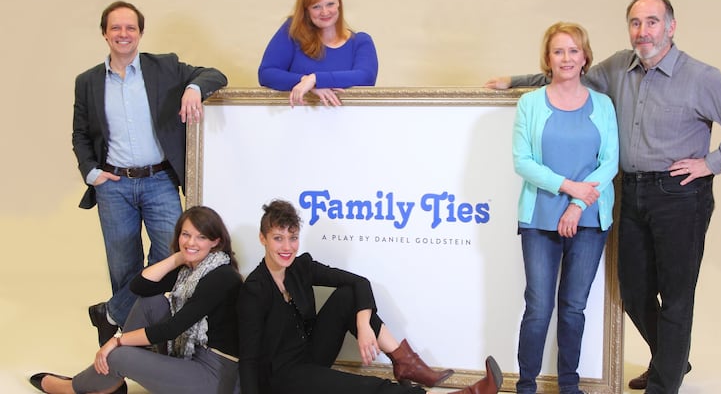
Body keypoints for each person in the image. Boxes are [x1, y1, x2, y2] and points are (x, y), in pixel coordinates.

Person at [486, 0, 721, 394]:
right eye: (636, 23)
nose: (643, 31)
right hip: (633, 192)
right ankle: (672, 358)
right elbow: (569, 75)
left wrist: (713, 162)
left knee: (675, 294)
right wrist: (514, 82)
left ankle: (664, 382)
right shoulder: (621, 67)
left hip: (679, 195)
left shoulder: (699, 77)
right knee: (635, 290)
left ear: (671, 27)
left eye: (652, 22)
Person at [72, 1, 228, 346]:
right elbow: (80, 134)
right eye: (116, 28)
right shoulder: (88, 82)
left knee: (171, 256)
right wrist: (91, 173)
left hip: (159, 180)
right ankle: (135, 340)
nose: (123, 34)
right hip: (112, 185)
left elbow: (216, 75)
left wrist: (193, 88)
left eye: (130, 28)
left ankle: (110, 314)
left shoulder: (165, 67)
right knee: (122, 266)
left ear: (140, 33)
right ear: (104, 33)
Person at [237, 199, 504, 394]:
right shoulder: (255, 289)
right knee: (367, 387)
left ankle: (404, 362)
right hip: (283, 377)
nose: (287, 247)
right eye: (278, 238)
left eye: (292, 238)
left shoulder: (300, 267)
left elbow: (358, 283)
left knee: (347, 296)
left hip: (310, 355)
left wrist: (364, 325)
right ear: (263, 239)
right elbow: (249, 360)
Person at [29, 206, 242, 394]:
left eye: (201, 237)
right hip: (189, 354)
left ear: (216, 241)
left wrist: (117, 340)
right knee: (150, 303)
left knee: (117, 356)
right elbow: (140, 287)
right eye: (185, 235)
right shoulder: (190, 270)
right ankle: (110, 380)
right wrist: (178, 257)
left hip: (213, 375)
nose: (191, 242)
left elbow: (172, 329)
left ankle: (75, 387)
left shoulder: (221, 276)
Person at [512, 22, 618, 394]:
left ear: (585, 56)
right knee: (539, 308)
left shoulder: (603, 105)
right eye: (559, 51)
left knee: (573, 307)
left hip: (589, 219)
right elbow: (522, 161)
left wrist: (575, 204)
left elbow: (609, 163)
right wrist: (569, 186)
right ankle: (526, 386)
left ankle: (568, 386)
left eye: (574, 50)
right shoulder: (530, 103)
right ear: (548, 58)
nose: (567, 58)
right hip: (539, 219)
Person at [257, 0, 378, 107]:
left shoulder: (361, 41)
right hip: (296, 120)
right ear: (306, 10)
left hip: (348, 123)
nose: (325, 12)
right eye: (316, 7)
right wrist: (305, 81)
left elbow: (366, 77)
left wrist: (315, 79)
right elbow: (266, 74)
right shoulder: (292, 31)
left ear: (339, 4)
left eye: (330, 4)